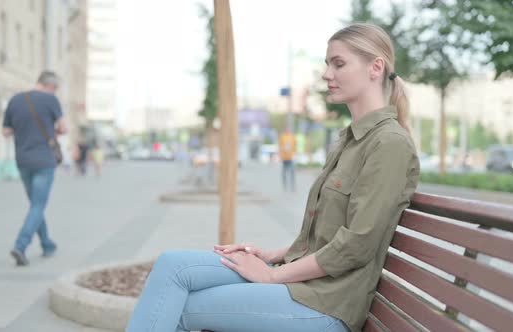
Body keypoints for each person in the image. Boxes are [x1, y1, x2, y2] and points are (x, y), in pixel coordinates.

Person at [126, 23, 420, 332]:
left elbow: (356, 245)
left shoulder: (388, 144)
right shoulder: (351, 139)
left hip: (327, 304)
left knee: (183, 308)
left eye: (339, 63)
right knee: (172, 266)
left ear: (375, 67)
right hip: (305, 282)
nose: (326, 74)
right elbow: (327, 236)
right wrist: (272, 255)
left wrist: (272, 275)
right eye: (327, 64)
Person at [2, 70, 67, 266]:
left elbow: (6, 131)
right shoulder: (51, 100)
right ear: (51, 86)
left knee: (35, 205)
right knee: (38, 205)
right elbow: (64, 128)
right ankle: (20, 245)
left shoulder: (15, 100)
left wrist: (23, 129)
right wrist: (52, 130)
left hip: (22, 160)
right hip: (44, 161)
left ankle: (47, 244)